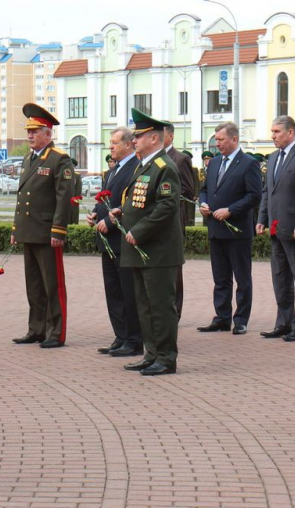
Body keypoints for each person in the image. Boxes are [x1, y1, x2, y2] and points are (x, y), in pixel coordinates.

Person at [111, 108, 183, 376]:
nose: (134, 141)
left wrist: (139, 229)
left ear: (154, 138)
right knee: (145, 305)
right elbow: (141, 201)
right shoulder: (145, 165)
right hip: (141, 250)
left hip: (158, 250)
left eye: (139, 137)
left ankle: (166, 357)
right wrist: (123, 211)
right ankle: (151, 353)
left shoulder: (165, 167)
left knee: (161, 306)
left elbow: (166, 206)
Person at [10, 103, 75, 349]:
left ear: (48, 134)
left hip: (48, 233)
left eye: (35, 131)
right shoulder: (29, 158)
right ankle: (36, 329)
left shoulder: (59, 159)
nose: (30, 135)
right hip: (30, 231)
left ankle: (56, 332)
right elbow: (22, 197)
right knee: (34, 286)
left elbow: (64, 198)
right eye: (29, 131)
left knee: (53, 285)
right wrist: (17, 229)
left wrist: (59, 230)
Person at [256, 116, 295, 341]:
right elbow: (267, 192)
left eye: (276, 132)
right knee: (280, 278)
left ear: (290, 132)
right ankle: (283, 323)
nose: (272, 136)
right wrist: (262, 217)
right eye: (272, 132)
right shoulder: (273, 158)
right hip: (276, 228)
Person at [197, 122, 262, 336]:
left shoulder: (248, 163)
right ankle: (222, 317)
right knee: (221, 278)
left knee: (242, 278)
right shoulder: (214, 163)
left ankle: (241, 319)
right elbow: (205, 189)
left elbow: (254, 195)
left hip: (237, 230)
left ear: (234, 139)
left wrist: (231, 211)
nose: (217, 144)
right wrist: (204, 203)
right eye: (216, 139)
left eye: (221, 139)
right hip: (215, 228)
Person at [86, 127, 143, 357]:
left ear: (129, 144)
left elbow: (131, 204)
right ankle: (120, 336)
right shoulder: (112, 170)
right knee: (113, 291)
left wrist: (109, 223)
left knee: (128, 291)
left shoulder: (136, 169)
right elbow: (106, 199)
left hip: (123, 240)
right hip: (107, 241)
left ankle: (134, 339)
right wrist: (95, 214)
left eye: (115, 143)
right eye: (110, 143)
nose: (110, 147)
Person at [163, 124, 194, 320]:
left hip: (173, 218)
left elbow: (188, 189)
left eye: (161, 134)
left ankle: (175, 310)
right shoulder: (150, 159)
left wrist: (166, 196)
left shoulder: (180, 159)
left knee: (174, 268)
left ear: (171, 136)